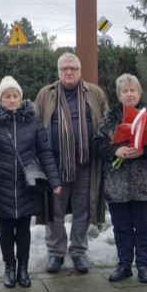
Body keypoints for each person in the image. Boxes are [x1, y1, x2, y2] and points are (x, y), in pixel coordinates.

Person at [0, 76, 62, 288]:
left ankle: (23, 269)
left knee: (24, 229)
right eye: (7, 96)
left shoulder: (33, 122)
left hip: (27, 185)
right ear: (1, 99)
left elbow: (44, 152)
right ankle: (9, 267)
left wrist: (54, 181)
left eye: (15, 95)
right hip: (1, 184)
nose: (12, 99)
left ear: (21, 97)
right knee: (6, 229)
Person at [34, 52, 109, 274]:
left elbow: (106, 125)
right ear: (58, 72)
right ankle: (56, 252)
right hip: (54, 166)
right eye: (64, 69)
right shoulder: (45, 94)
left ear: (79, 71)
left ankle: (78, 250)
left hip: (86, 163)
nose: (69, 72)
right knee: (54, 210)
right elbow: (37, 127)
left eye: (73, 69)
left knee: (82, 209)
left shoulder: (95, 93)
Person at [93, 74, 147, 284]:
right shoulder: (110, 117)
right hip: (118, 183)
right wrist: (115, 151)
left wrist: (144, 150)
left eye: (132, 90)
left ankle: (143, 266)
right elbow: (98, 142)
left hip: (145, 182)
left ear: (139, 92)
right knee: (122, 228)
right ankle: (124, 265)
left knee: (145, 227)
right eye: (124, 91)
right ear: (118, 95)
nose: (129, 94)